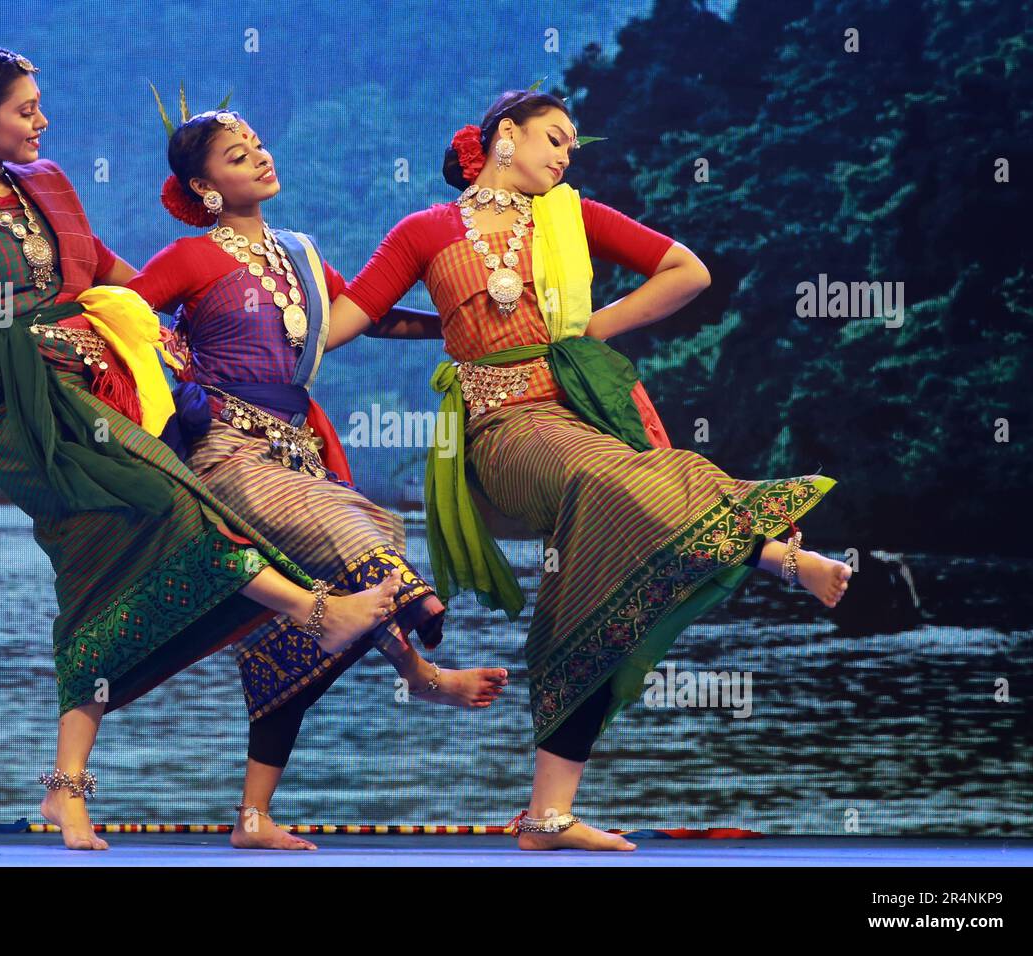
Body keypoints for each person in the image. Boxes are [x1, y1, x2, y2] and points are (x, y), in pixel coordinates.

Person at [0, 42, 401, 852]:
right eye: (26, 111)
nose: (43, 121)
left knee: (101, 570)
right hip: (10, 405)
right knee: (176, 502)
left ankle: (67, 790)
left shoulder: (50, 181)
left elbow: (100, 267)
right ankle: (317, 614)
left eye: (40, 106)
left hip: (95, 380)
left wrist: (173, 336)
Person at [328, 89, 852, 850]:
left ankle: (548, 814)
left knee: (612, 568)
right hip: (502, 432)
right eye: (555, 139)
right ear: (505, 136)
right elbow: (347, 319)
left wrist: (590, 330)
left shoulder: (571, 216)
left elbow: (687, 271)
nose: (565, 156)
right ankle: (776, 556)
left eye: (572, 147)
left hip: (585, 416)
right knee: (614, 481)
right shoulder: (425, 231)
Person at [127, 106, 508, 849]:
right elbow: (125, 324)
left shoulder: (298, 252)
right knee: (357, 535)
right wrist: (177, 379)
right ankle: (422, 654)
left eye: (259, 145)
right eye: (239, 157)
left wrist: (456, 323)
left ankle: (254, 819)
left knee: (298, 636)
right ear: (205, 187)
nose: (260, 159)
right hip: (228, 455)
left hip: (297, 452)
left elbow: (365, 315)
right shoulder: (189, 259)